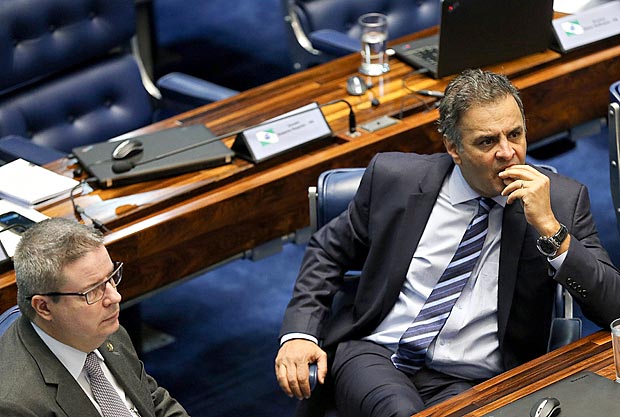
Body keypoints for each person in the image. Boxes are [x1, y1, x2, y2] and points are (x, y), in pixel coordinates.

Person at [275, 69, 620, 417]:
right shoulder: (395, 178)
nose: (507, 152)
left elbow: (614, 309)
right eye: (487, 142)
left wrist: (551, 232)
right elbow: (327, 251)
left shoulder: (561, 202)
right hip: (377, 355)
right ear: (453, 147)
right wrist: (300, 334)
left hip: (472, 380)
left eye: (515, 134)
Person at [0, 217, 190, 417]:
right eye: (92, 291)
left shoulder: (103, 329)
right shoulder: (16, 406)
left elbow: (153, 401)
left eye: (111, 278)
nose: (115, 297)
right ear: (44, 307)